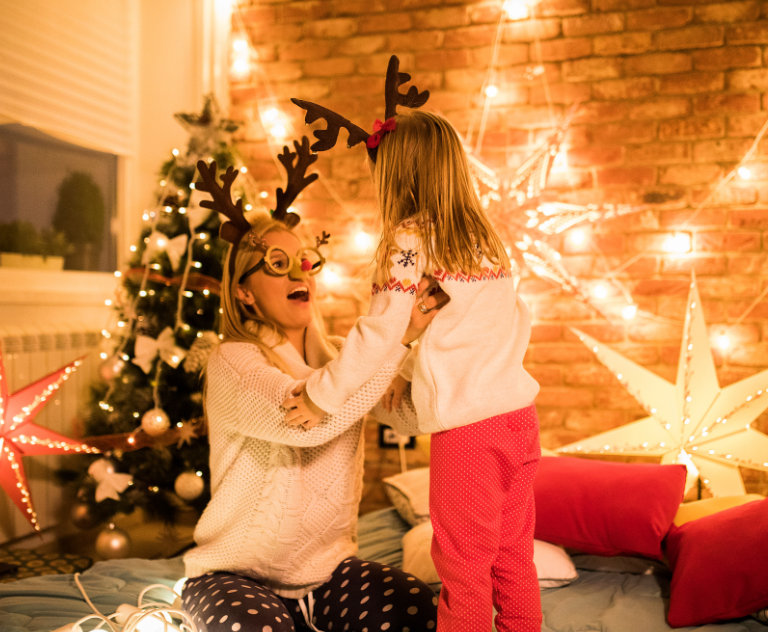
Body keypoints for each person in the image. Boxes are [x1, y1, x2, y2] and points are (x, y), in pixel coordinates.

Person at [287, 110, 542, 632]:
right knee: (513, 557)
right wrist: (409, 366)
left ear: (400, 174)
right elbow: (485, 323)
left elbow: (379, 330)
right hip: (519, 418)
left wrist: (320, 396)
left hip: (469, 432)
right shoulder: (483, 239)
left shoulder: (409, 243)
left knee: (464, 570)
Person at [182, 211, 446, 632]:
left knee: (418, 609)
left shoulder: (349, 357)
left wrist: (420, 344)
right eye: (277, 263)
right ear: (244, 293)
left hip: (327, 575)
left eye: (304, 261)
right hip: (233, 575)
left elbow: (416, 416)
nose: (298, 273)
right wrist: (394, 343)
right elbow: (305, 422)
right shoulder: (231, 360)